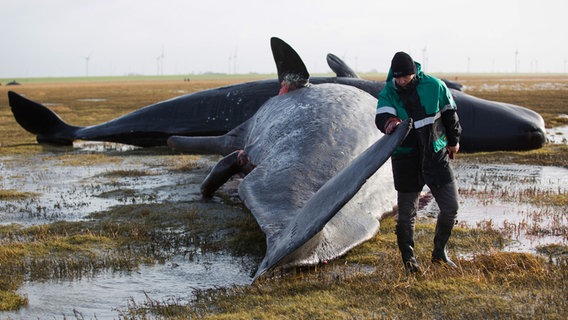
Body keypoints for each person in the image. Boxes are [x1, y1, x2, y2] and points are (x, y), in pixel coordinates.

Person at [375, 51, 462, 273]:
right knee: (406, 214)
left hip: (436, 153)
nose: (402, 81)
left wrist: (454, 141)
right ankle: (409, 260)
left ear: (414, 73)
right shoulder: (389, 92)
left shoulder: (435, 86)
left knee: (451, 207)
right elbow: (381, 117)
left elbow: (450, 114)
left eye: (406, 77)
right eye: (398, 78)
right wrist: (391, 123)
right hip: (406, 158)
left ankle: (439, 252)